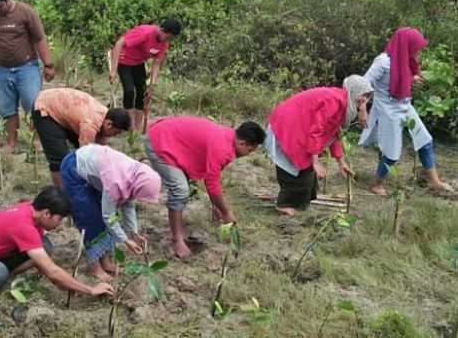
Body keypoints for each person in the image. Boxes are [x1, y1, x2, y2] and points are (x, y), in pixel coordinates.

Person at [0, 186, 114, 319]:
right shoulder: (23, 226)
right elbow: (52, 271)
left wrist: (68, 284)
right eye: (59, 219)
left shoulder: (30, 210)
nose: (61, 224)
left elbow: (46, 268)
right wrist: (90, 289)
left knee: (44, 246)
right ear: (46, 213)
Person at [144, 116, 265, 258]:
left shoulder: (228, 138)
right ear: (243, 143)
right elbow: (212, 184)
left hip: (171, 138)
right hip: (160, 141)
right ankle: (177, 239)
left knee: (178, 184)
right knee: (180, 190)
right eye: (250, 151)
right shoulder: (222, 148)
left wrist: (217, 207)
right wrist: (226, 213)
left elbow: (213, 177)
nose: (247, 155)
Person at [359, 27, 456, 196]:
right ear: (405, 45)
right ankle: (377, 184)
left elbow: (402, 78)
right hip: (388, 110)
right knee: (392, 152)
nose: (417, 51)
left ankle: (433, 180)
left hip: (404, 106)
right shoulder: (383, 62)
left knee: (425, 141)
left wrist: (413, 79)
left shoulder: (405, 59)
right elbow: (363, 85)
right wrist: (362, 110)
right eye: (415, 48)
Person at [265, 75, 374, 216]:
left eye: (366, 98)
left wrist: (341, 163)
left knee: (307, 178)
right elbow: (316, 130)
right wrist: (315, 162)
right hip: (288, 127)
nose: (363, 101)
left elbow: (333, 133)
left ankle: (295, 204)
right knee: (300, 172)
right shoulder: (335, 100)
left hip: (297, 128)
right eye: (363, 97)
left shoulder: (341, 102)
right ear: (355, 92)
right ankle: (283, 205)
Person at [0, 0, 55, 153]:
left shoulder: (26, 12)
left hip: (27, 67)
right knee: (7, 108)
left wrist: (48, 65)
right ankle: (11, 143)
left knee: (33, 105)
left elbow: (40, 39)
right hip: (1, 69)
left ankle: (38, 140)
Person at [61, 144, 161, 281]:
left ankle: (106, 263)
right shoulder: (116, 182)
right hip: (74, 168)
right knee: (90, 218)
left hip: (97, 172)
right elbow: (109, 217)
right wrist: (125, 240)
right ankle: (95, 267)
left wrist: (134, 233)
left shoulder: (133, 177)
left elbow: (128, 204)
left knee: (102, 213)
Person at [32, 88, 131, 187]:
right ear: (109, 124)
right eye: (116, 133)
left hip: (62, 107)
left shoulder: (104, 116)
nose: (115, 136)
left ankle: (70, 184)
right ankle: (61, 193)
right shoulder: (90, 124)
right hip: (45, 107)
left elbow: (100, 152)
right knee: (59, 159)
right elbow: (86, 157)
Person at [109, 19, 182, 130]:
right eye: (167, 38)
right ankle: (129, 125)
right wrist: (113, 69)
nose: (167, 41)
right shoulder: (144, 32)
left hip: (138, 63)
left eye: (170, 39)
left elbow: (156, 64)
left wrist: (152, 86)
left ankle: (137, 126)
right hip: (124, 61)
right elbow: (119, 43)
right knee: (129, 91)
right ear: (161, 30)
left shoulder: (164, 43)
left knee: (143, 93)